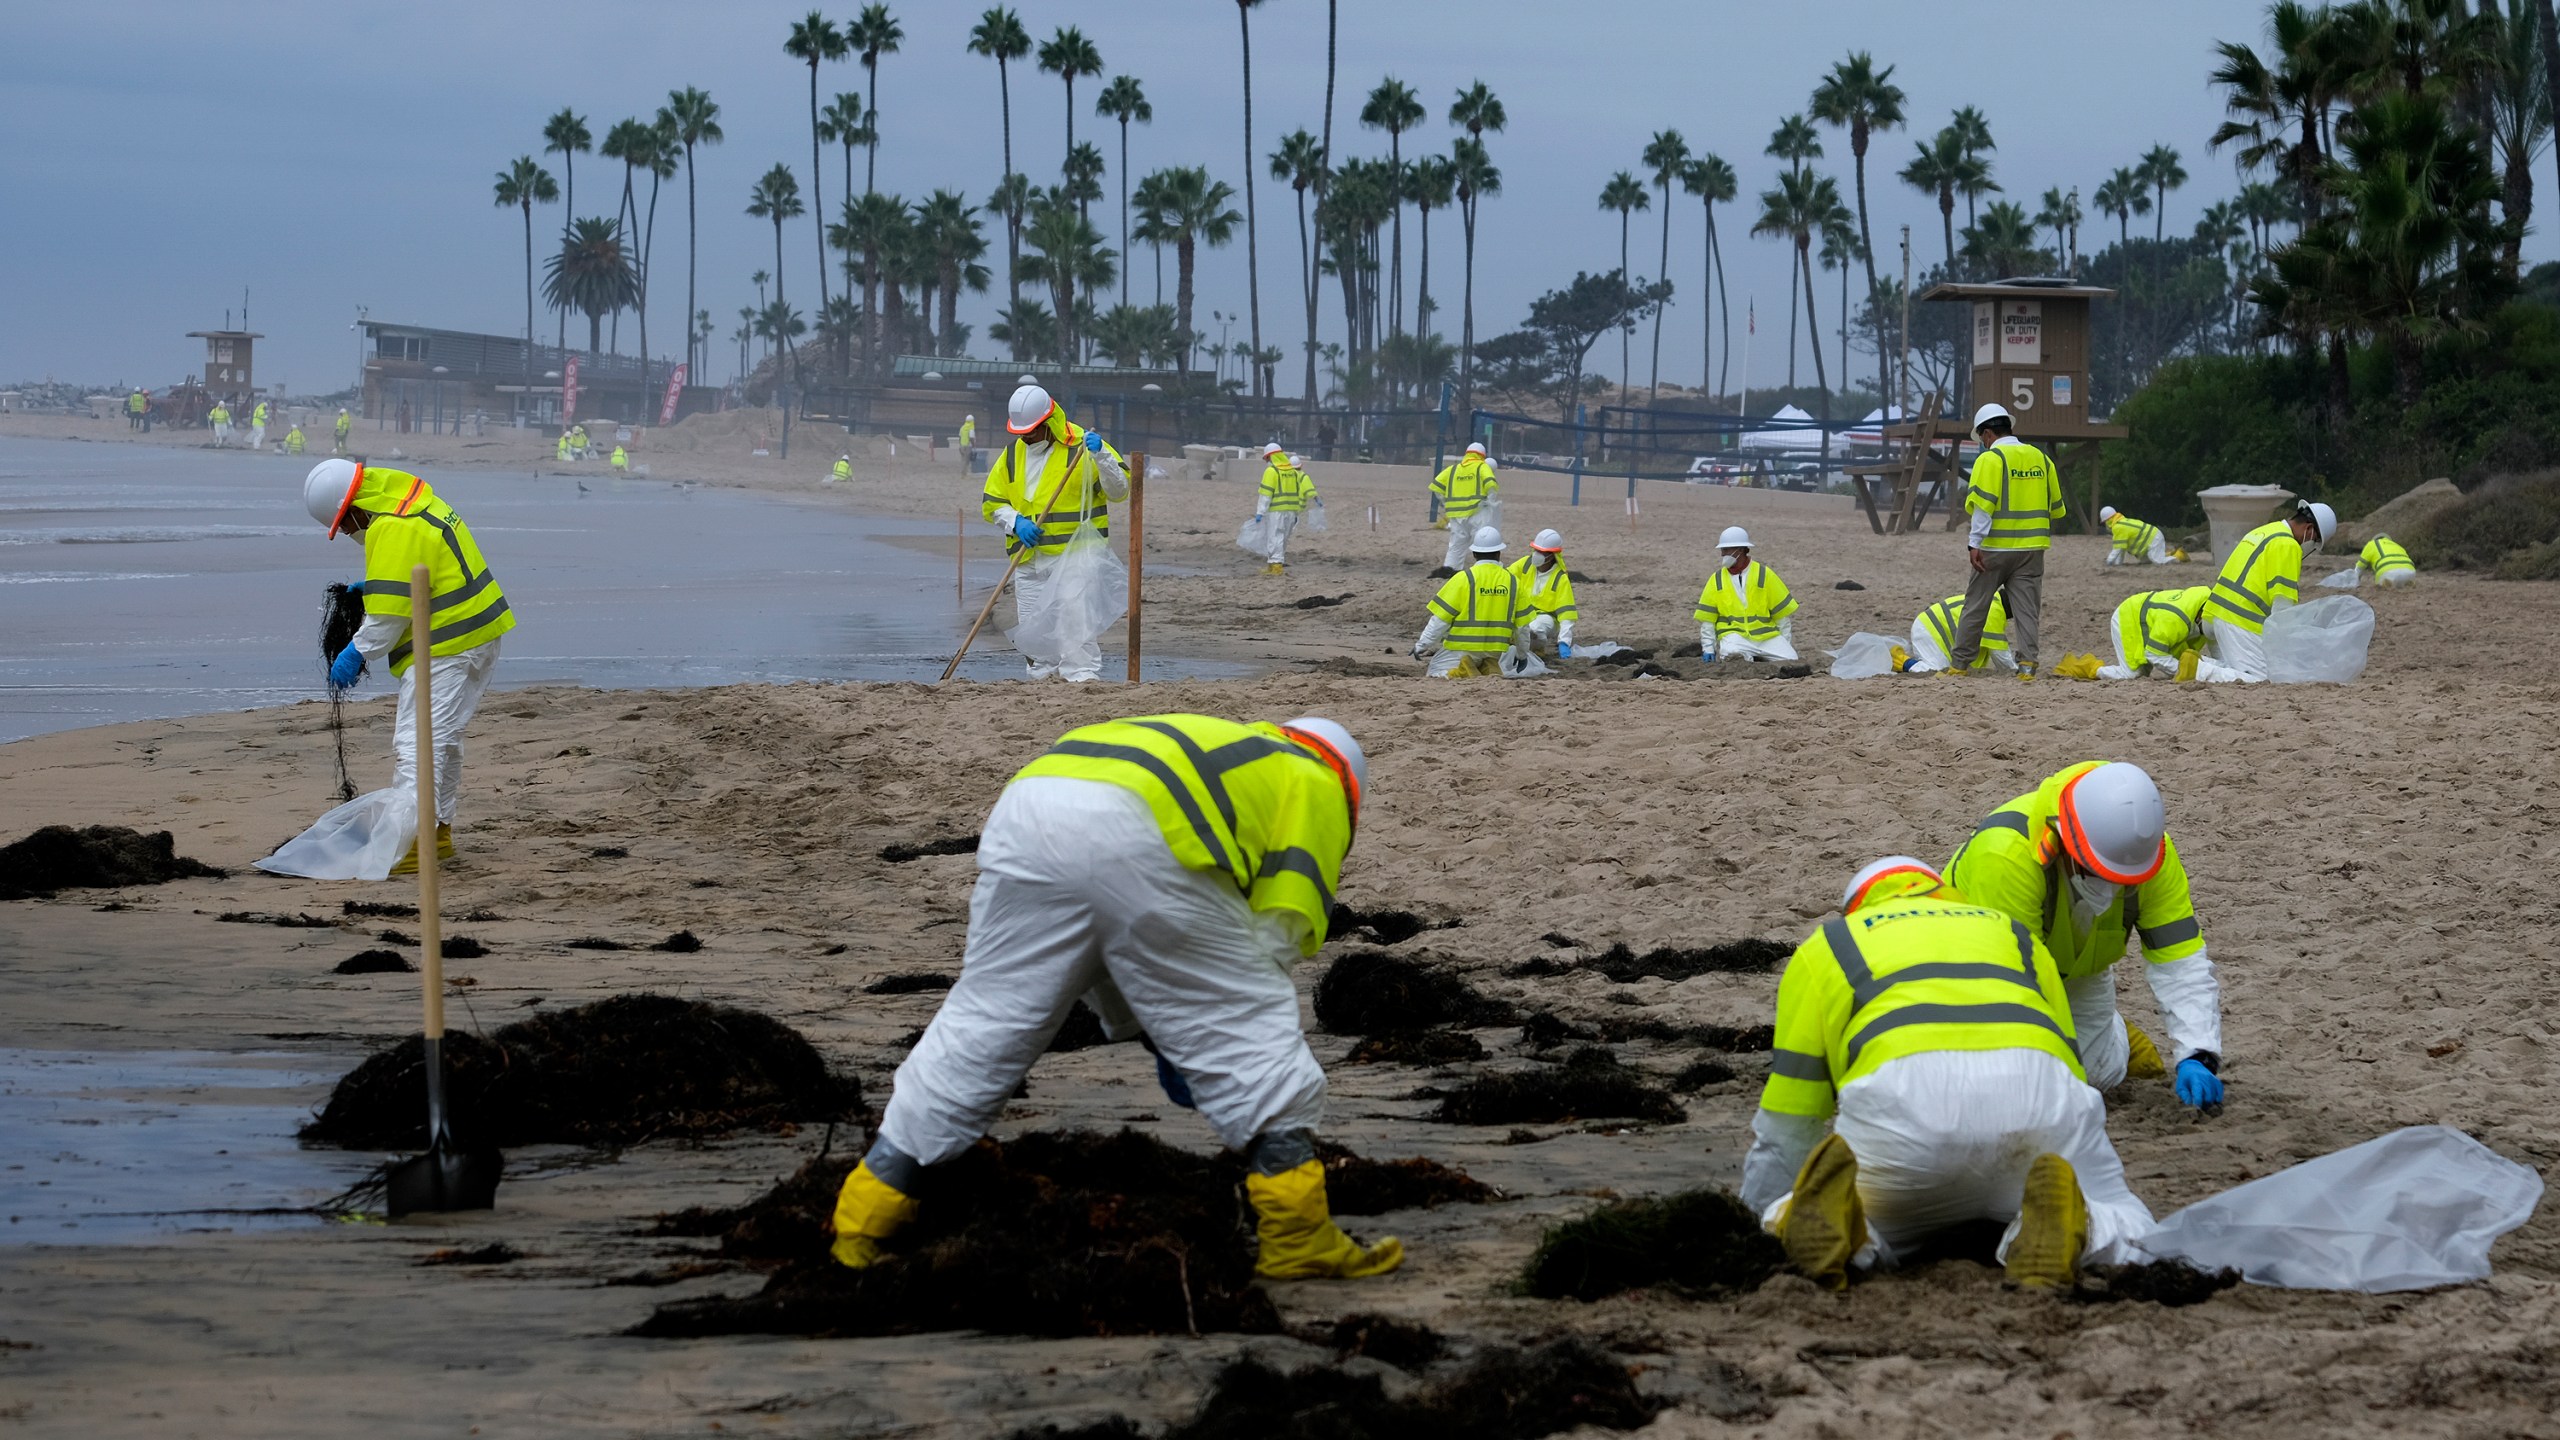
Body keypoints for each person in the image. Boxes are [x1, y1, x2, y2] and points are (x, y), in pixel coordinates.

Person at [830, 712, 1402, 1283]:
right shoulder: (1316, 779)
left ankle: (864, 1218)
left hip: (1028, 806)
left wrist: (1162, 1031)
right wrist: (1218, 1039)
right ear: (1351, 783)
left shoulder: (1234, 747)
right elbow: (1278, 932)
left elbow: (1124, 944)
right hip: (1139, 825)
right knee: (1250, 1026)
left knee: (985, 1022)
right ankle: (1298, 1238)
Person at [1741, 856, 2156, 1291]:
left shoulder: (1830, 946)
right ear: (1940, 891)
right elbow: (2072, 1068)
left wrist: (1761, 1216)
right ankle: (2080, 1230)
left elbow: (1790, 1124)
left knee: (1852, 1225)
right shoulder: (2014, 933)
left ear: (1858, 908)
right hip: (2037, 1106)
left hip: (1905, 1110)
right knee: (2126, 1219)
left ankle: (1851, 1236)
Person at [1943, 761, 2224, 1108]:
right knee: (2022, 1086)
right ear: (2062, 837)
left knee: (2094, 1076)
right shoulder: (2006, 855)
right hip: (1975, 977)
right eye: (2097, 871)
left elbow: (2180, 959)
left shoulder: (2149, 854)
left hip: (2076, 969)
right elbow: (2014, 987)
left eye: (2122, 878)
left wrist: (2198, 1053)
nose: (2110, 887)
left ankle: (2110, 1036)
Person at [300, 458, 515, 874]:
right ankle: (438, 833)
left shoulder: (391, 527)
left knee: (417, 745)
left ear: (354, 507)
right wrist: (377, 585)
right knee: (443, 740)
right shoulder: (410, 503)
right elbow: (421, 573)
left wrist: (354, 652)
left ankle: (414, 842)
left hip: (448, 646)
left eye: (344, 525)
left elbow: (386, 621)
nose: (347, 534)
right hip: (478, 633)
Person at [979, 383, 1130, 681]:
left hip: (1075, 554)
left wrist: (1102, 457)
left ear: (1049, 423)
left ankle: (1081, 679)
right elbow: (992, 502)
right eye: (1020, 432)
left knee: (1076, 621)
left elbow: (1120, 490)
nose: (1026, 437)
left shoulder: (1083, 448)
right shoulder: (1012, 456)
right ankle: (1042, 679)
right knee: (1034, 626)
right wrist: (1015, 522)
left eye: (1031, 431)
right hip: (1029, 556)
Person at [1948, 403, 2063, 680]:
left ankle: (1959, 666)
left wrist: (1973, 544)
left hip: (1994, 549)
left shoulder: (1991, 459)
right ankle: (2027, 666)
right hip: (2033, 550)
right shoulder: (2041, 458)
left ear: (1987, 434)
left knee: (1976, 606)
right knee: (2027, 610)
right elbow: (2056, 507)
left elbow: (1983, 507)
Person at [2197, 498, 2336, 683]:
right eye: (2315, 543)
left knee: (2235, 668)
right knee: (2260, 679)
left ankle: (2199, 663)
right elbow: (2282, 608)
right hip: (2239, 621)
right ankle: (2197, 669)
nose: (2310, 548)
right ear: (2309, 530)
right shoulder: (2288, 545)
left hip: (2215, 615)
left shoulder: (2265, 531)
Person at [1412, 526, 1522, 678]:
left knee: (1434, 670)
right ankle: (1488, 666)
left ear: (1475, 553)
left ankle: (1462, 672)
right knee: (1485, 659)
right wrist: (1522, 654)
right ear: (1499, 553)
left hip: (1462, 648)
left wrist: (1422, 645)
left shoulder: (1463, 579)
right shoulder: (1514, 582)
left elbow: (1441, 620)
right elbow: (1522, 628)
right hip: (1495, 650)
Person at [1692, 526, 1799, 661]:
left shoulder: (1764, 574)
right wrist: (1708, 648)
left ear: (1741, 550)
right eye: (1722, 550)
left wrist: (1785, 644)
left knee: (1791, 659)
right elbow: (1708, 619)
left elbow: (1782, 617)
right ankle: (1753, 658)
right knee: (1732, 655)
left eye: (1726, 550)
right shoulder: (1716, 579)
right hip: (1735, 637)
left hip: (1766, 636)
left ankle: (1757, 658)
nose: (1722, 554)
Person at [2098, 586, 2210, 680]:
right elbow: (2153, 654)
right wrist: (2184, 670)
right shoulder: (2174, 620)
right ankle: (2090, 669)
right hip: (2129, 618)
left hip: (2150, 617)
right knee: (2132, 674)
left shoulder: (2210, 606)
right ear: (2200, 615)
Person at [1427, 441, 1500, 572]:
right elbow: (1491, 486)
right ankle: (1484, 570)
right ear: (1482, 456)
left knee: (1456, 545)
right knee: (1481, 542)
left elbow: (1436, 487)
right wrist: (1490, 502)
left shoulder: (1453, 469)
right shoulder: (1482, 467)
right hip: (1477, 512)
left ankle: (1450, 570)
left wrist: (1445, 503)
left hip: (1456, 515)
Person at [1900, 592, 2011, 674]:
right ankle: (1901, 660)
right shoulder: (1993, 611)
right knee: (1936, 671)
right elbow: (2001, 658)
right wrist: (2019, 672)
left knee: (1952, 670)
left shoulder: (1991, 600)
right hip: (1928, 628)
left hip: (1932, 627)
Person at [1510, 528, 1578, 658]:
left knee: (1534, 628)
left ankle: (1537, 650)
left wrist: (1564, 642)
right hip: (1523, 612)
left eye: (1542, 552)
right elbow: (1505, 577)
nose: (1537, 554)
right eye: (1536, 550)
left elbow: (1567, 614)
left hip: (1547, 618)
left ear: (1553, 555)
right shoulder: (1525, 564)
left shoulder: (1560, 578)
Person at [1254, 442, 1317, 575]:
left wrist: (1260, 512)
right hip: (1292, 511)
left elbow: (1266, 494)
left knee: (1274, 537)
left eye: (1266, 458)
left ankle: (1275, 568)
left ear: (1270, 457)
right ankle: (1275, 565)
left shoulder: (1272, 471)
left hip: (1276, 511)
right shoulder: (1292, 472)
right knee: (1282, 538)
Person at [2098, 505, 2183, 565]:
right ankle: (2173, 554)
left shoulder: (2118, 527)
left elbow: (2118, 549)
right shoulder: (2122, 522)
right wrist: (2117, 563)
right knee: (2147, 560)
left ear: (2107, 520)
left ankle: (2179, 556)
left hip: (2153, 538)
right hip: (2154, 535)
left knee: (2158, 561)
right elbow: (2121, 549)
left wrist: (2109, 561)